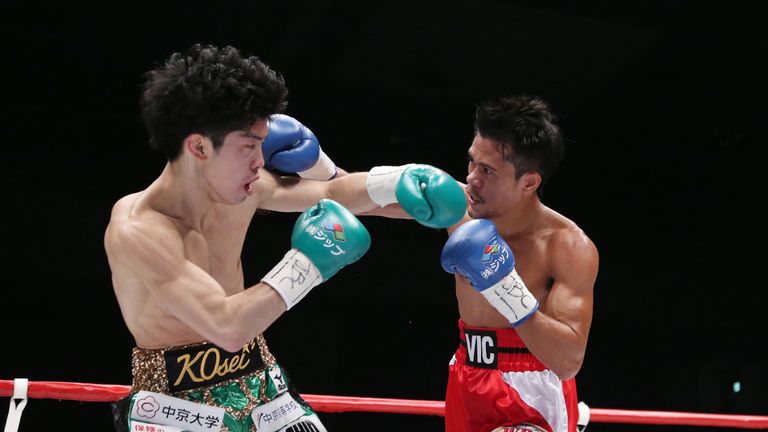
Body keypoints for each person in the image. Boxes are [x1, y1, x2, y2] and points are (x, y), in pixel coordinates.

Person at [104, 43, 466, 432]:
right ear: (199, 147)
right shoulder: (139, 229)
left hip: (260, 381)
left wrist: (400, 179)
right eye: (249, 147)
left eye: (261, 144)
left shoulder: (242, 190)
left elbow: (334, 192)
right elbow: (227, 327)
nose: (261, 162)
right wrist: (307, 263)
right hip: (175, 404)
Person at [439, 95, 599, 432]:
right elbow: (368, 198)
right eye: (471, 163)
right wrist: (321, 170)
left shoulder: (566, 245)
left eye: (487, 171)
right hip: (466, 374)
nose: (471, 179)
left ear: (529, 182)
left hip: (532, 389)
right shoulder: (455, 205)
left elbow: (569, 360)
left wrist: (504, 286)